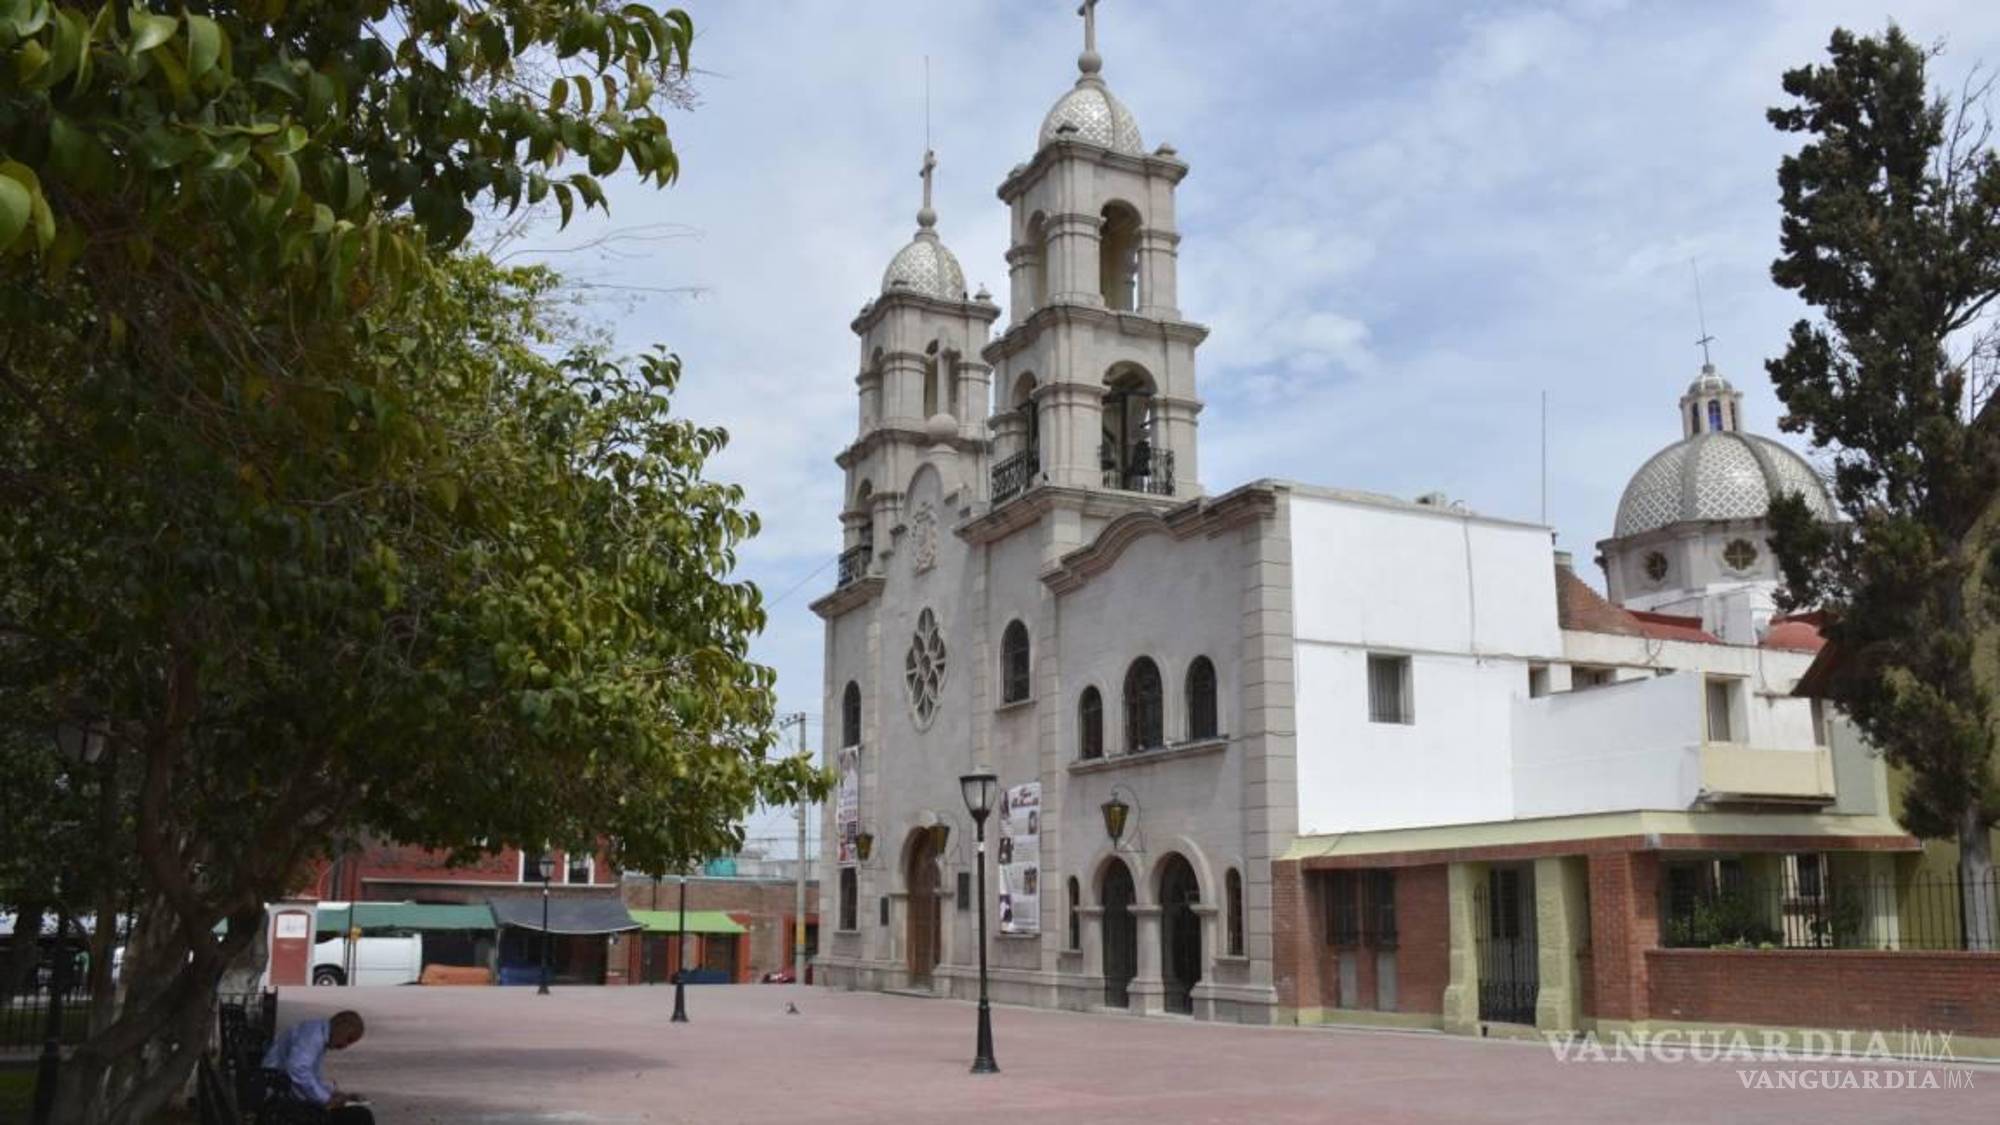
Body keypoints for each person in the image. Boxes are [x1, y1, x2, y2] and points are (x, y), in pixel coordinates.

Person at [262, 1009, 372, 1123]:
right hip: (281, 1098)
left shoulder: (317, 1033)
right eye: (348, 1039)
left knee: (358, 1113)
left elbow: (311, 1077)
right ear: (340, 1027)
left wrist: (334, 1094)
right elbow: (297, 1070)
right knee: (360, 1116)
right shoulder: (312, 1036)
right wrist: (326, 1098)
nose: (345, 1046)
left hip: (287, 1093)